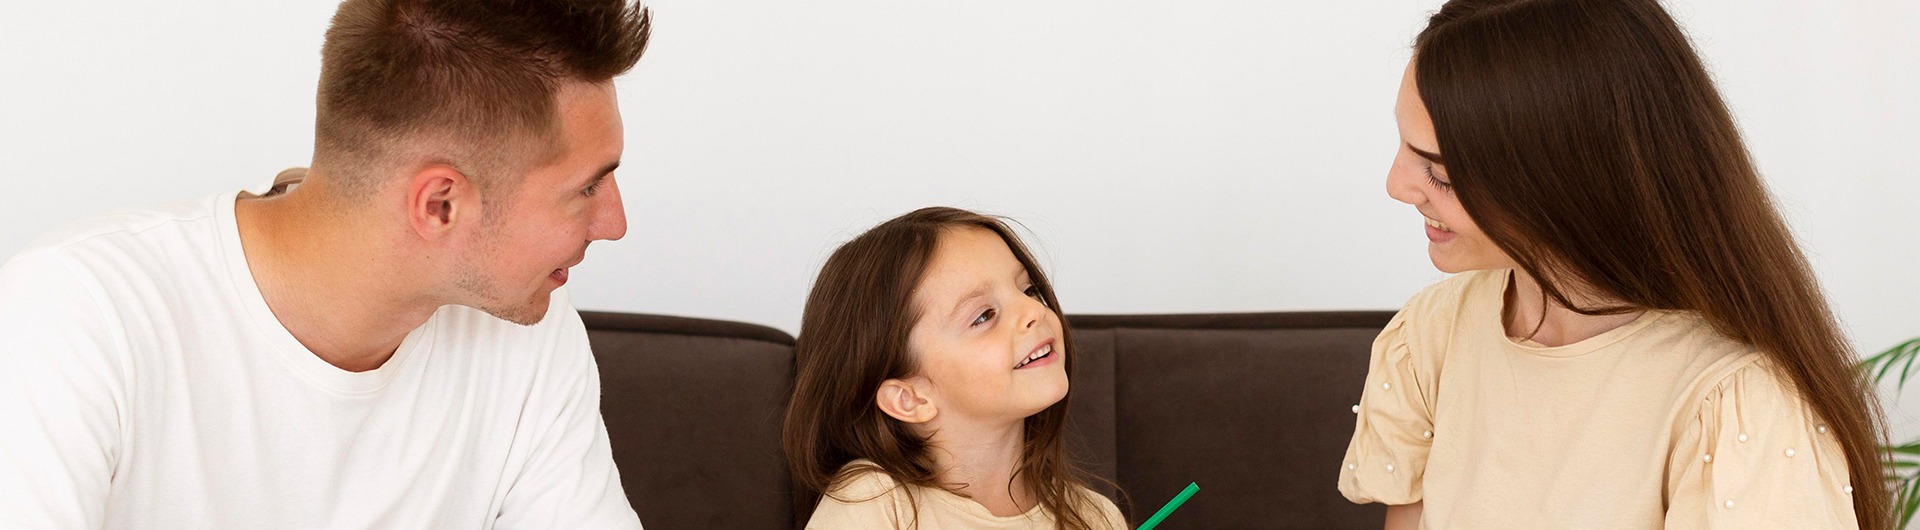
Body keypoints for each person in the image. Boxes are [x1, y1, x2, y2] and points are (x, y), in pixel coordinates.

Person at [0, 0, 652, 527]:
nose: (616, 223)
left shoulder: (527, 333)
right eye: (588, 188)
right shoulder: (74, 318)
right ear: (440, 205)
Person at [1338, 0, 1887, 528]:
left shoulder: (1735, 407)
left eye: (1441, 173)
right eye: (1404, 146)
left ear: (1566, 180)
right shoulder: (1434, 335)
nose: (1397, 186)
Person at [782, 207, 1127, 529]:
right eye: (984, 316)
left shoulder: (1094, 517)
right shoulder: (873, 503)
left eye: (1029, 290)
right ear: (909, 398)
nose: (1033, 311)